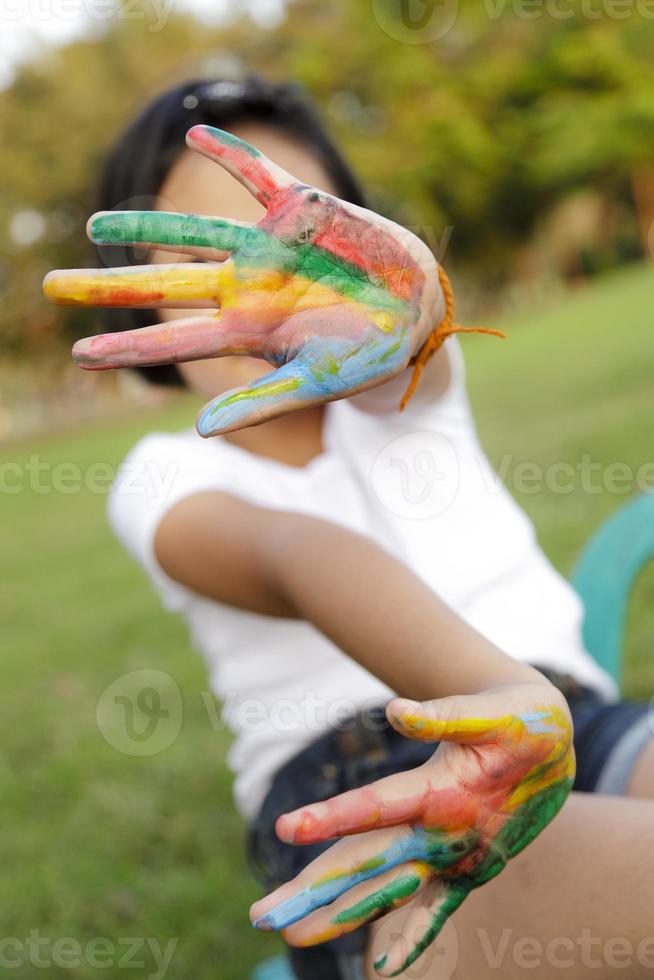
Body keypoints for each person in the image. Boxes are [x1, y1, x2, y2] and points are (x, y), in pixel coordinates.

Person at [44, 75, 654, 979]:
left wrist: (407, 315)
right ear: (149, 299)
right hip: (364, 783)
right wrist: (496, 693)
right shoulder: (166, 472)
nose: (273, 292)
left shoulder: (412, 397)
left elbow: (420, 351)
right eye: (217, 260)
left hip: (578, 722)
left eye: (303, 246)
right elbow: (299, 557)